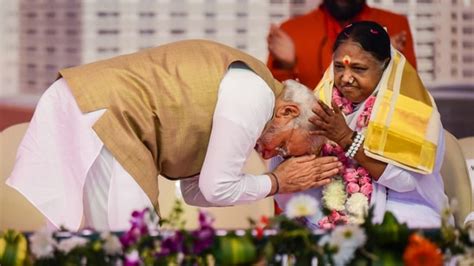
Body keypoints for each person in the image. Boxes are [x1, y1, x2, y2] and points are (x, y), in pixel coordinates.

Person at [6, 40, 341, 231]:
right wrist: (277, 183)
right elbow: (215, 187)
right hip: (106, 111)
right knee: (136, 241)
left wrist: (272, 183)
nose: (268, 156)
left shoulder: (254, 91)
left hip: (95, 108)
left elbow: (194, 191)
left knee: (117, 241)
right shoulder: (256, 95)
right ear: (288, 112)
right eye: (282, 146)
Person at [262, 21, 451, 228]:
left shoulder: (414, 112)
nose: (346, 78)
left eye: (359, 69)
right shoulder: (322, 106)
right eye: (339, 67)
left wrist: (346, 139)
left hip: (404, 213)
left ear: (385, 66)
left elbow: (407, 182)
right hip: (331, 218)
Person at [266, 0, 417, 89]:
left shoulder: (394, 25)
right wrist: (285, 66)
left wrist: (388, 61)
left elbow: (410, 94)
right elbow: (275, 100)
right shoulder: (292, 30)